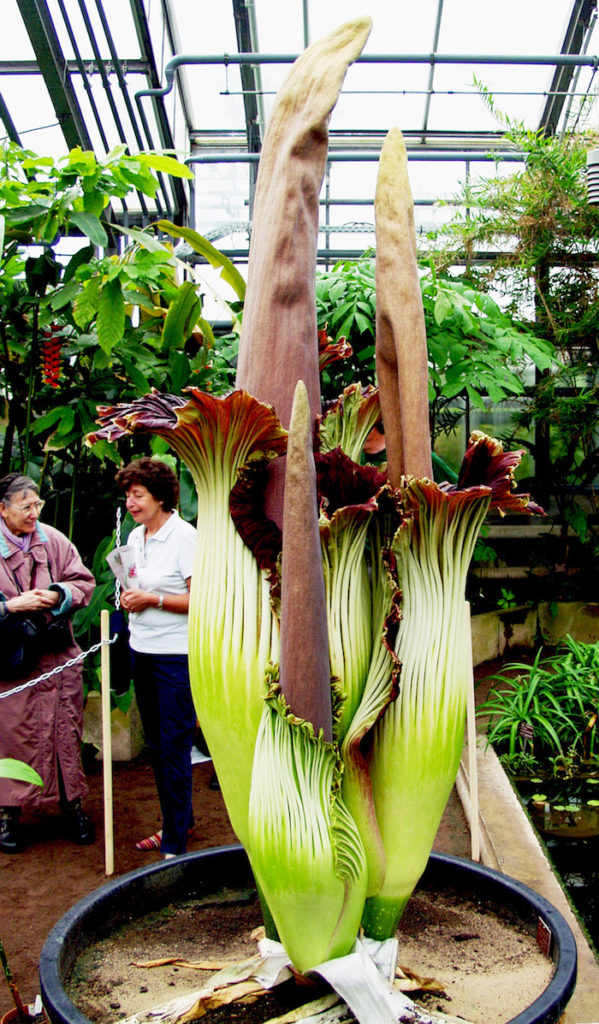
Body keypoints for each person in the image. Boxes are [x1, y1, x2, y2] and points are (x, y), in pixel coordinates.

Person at [0, 473, 96, 853]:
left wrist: (58, 593)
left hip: (58, 659)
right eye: (25, 506)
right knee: (13, 738)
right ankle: (8, 815)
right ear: (2, 509)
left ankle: (73, 807)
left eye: (37, 505)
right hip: (13, 665)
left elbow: (83, 582)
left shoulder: (52, 539)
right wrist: (10, 606)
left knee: (64, 733)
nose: (33, 513)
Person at [115, 457, 197, 859]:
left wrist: (154, 599)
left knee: (174, 744)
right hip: (141, 650)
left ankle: (174, 844)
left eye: (138, 494)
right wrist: (130, 598)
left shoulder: (184, 537)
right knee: (156, 745)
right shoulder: (135, 538)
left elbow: (203, 600)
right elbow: (132, 582)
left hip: (176, 656)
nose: (131, 502)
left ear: (160, 496)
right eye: (128, 495)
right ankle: (178, 820)